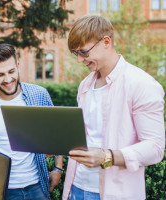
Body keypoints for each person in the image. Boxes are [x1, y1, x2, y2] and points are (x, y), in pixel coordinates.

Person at [62, 15, 165, 200]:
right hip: (76, 187)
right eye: (76, 53)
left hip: (116, 194)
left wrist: (106, 157)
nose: (79, 60)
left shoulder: (142, 84)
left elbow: (155, 148)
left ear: (106, 42)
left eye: (83, 52)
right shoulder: (85, 85)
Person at [0, 43, 64, 200]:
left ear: (18, 66)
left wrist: (58, 168)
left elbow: (56, 133)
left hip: (37, 187)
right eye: (0, 74)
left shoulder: (39, 95)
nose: (8, 79)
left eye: (11, 71)